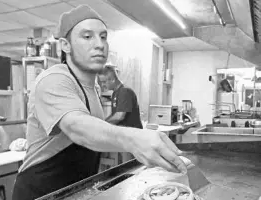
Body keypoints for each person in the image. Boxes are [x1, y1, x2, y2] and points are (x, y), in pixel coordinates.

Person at [12, 5, 186, 200]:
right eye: (87, 37)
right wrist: (135, 139)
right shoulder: (53, 79)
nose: (99, 44)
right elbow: (77, 127)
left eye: (103, 37)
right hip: (41, 192)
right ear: (65, 45)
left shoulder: (93, 89)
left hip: (75, 190)